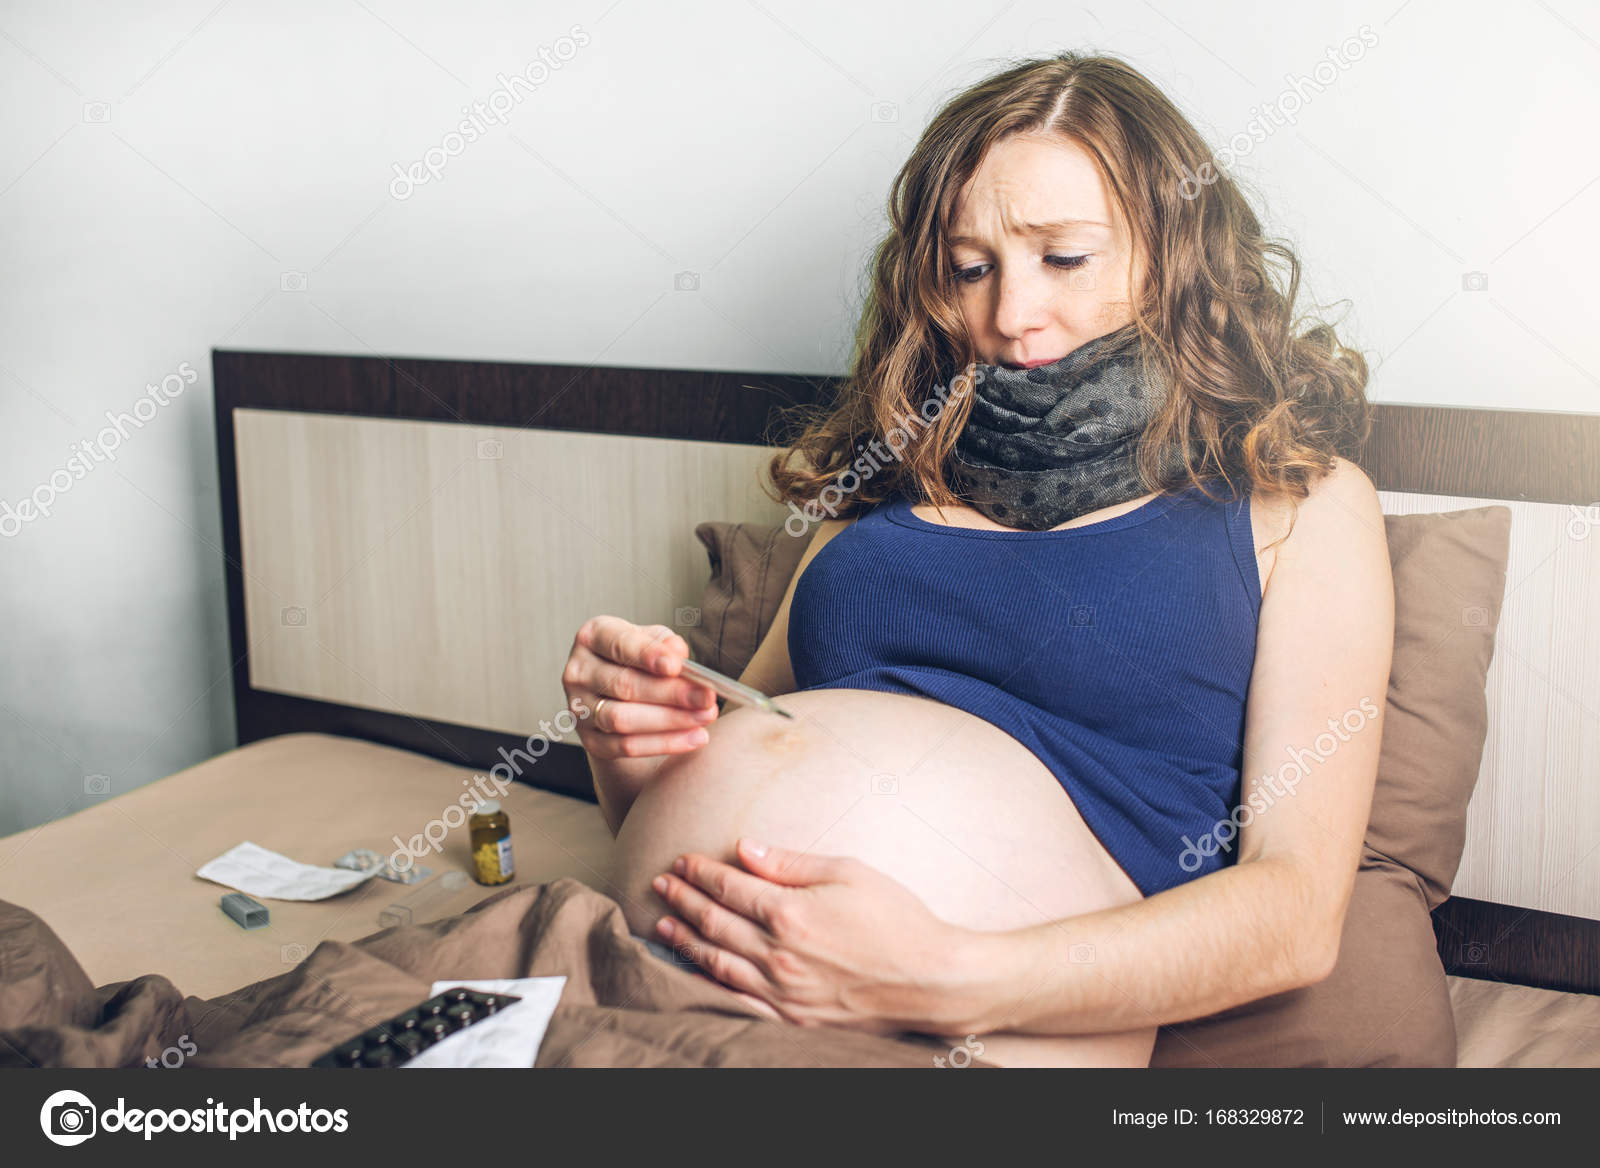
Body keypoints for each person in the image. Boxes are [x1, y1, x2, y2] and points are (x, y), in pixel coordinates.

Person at [559, 52, 1393, 1067]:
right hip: (642, 989)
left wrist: (939, 975)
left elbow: (1295, 913)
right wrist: (628, 744)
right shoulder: (885, 480)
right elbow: (717, 775)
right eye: (970, 268)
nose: (1009, 316)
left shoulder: (1294, 504)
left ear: (1176, 257)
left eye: (1065, 258)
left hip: (954, 1040)